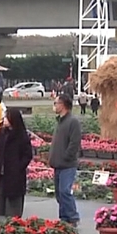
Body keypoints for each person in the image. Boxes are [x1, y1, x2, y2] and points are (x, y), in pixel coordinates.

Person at [0, 108, 34, 229]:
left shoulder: (21, 135)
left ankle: (13, 224)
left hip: (15, 174)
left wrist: (18, 167)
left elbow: (27, 155)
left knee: (13, 199)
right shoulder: (1, 133)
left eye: (6, 117)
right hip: (1, 172)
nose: (4, 119)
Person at [48, 95, 82, 226]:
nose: (54, 106)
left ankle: (72, 217)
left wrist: (66, 156)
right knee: (59, 193)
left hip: (67, 164)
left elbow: (74, 143)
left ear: (63, 105)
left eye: (56, 103)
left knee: (65, 191)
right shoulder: (60, 121)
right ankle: (64, 217)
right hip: (58, 163)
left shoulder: (73, 122)